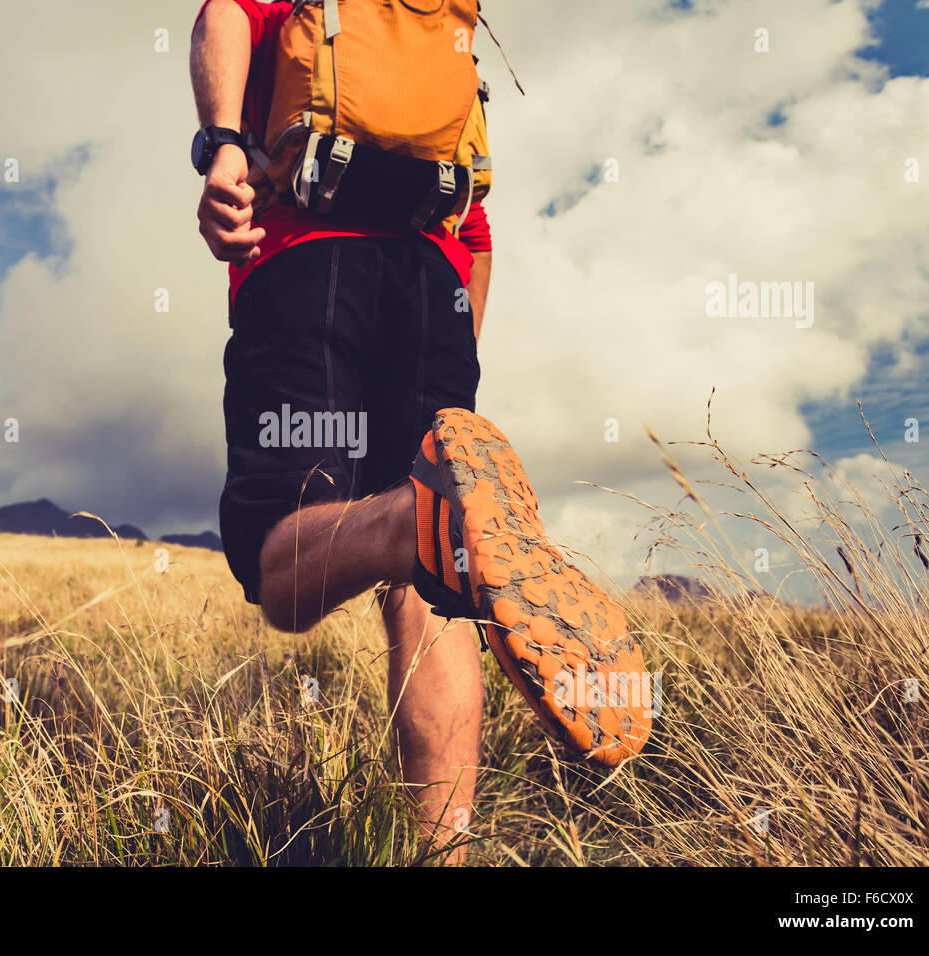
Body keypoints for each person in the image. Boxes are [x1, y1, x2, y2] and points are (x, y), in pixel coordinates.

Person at [189, 0, 648, 860]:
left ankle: (414, 517)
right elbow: (473, 225)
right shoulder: (447, 24)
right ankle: (444, 855)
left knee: (278, 563)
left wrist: (218, 144)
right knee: (434, 589)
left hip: (308, 256)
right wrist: (451, 396)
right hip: (437, 280)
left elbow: (225, 12)